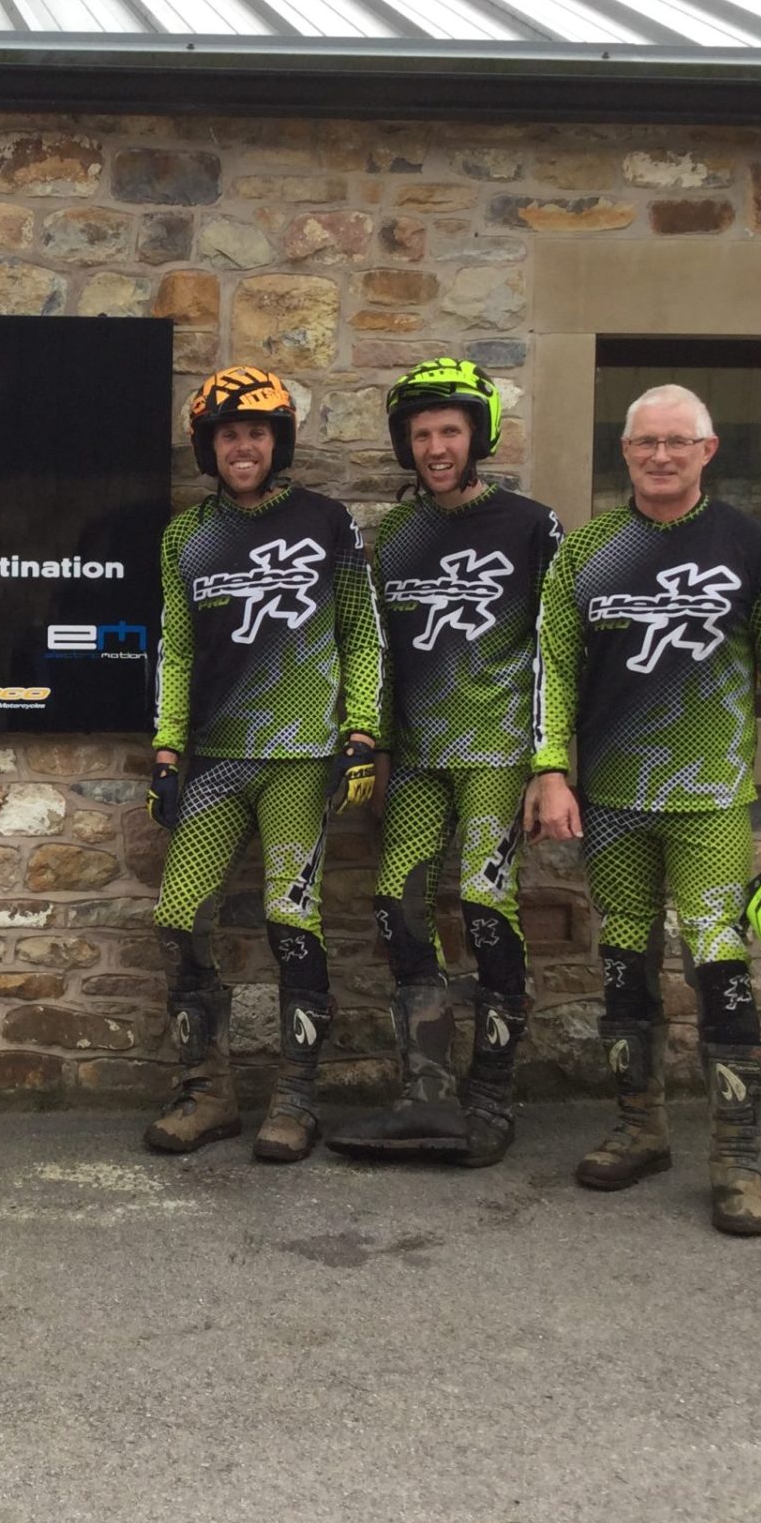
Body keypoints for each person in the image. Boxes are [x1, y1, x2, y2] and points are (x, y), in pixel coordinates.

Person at [526, 383, 761, 1236]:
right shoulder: (587, 552)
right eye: (644, 442)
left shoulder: (749, 544)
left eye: (676, 441)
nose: (660, 455)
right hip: (613, 804)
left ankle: (737, 1159)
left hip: (710, 801)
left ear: (708, 449)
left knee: (719, 970)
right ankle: (640, 1127)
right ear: (625, 454)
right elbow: (551, 672)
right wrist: (551, 771)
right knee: (624, 972)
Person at [143, 367, 386, 1161]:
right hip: (215, 757)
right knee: (179, 917)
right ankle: (206, 1093)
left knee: (292, 918)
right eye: (228, 435)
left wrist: (362, 736)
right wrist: (168, 748)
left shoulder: (327, 522)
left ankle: (296, 1098)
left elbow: (362, 635)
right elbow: (176, 650)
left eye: (256, 433)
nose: (243, 445)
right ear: (208, 448)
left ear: (277, 443)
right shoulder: (188, 535)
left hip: (300, 756)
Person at [327, 361, 561, 1167]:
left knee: (487, 903)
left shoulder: (534, 525)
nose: (436, 447)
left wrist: (549, 761)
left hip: (499, 751)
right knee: (396, 901)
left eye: (450, 431)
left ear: (479, 435)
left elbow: (558, 652)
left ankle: (492, 1097)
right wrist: (381, 744)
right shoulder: (394, 536)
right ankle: (425, 1094)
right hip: (421, 755)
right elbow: (376, 652)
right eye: (422, 434)